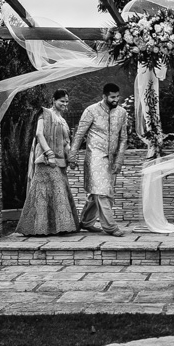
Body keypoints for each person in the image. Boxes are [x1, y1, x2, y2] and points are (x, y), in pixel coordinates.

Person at [16, 89, 79, 236]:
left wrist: (71, 158)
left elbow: (65, 142)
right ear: (53, 100)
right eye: (62, 101)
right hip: (46, 160)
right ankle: (40, 228)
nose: (64, 104)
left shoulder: (62, 120)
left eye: (66, 101)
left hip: (60, 161)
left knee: (57, 191)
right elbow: (39, 133)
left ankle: (56, 227)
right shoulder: (45, 114)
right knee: (45, 193)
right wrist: (49, 153)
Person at [70, 82, 129, 236]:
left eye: (117, 96)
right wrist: (72, 155)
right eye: (112, 97)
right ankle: (111, 227)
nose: (116, 99)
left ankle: (86, 222)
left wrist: (119, 160)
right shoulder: (91, 111)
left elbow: (123, 138)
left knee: (97, 192)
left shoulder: (122, 112)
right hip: (95, 156)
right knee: (103, 192)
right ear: (104, 96)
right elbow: (79, 134)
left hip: (111, 158)